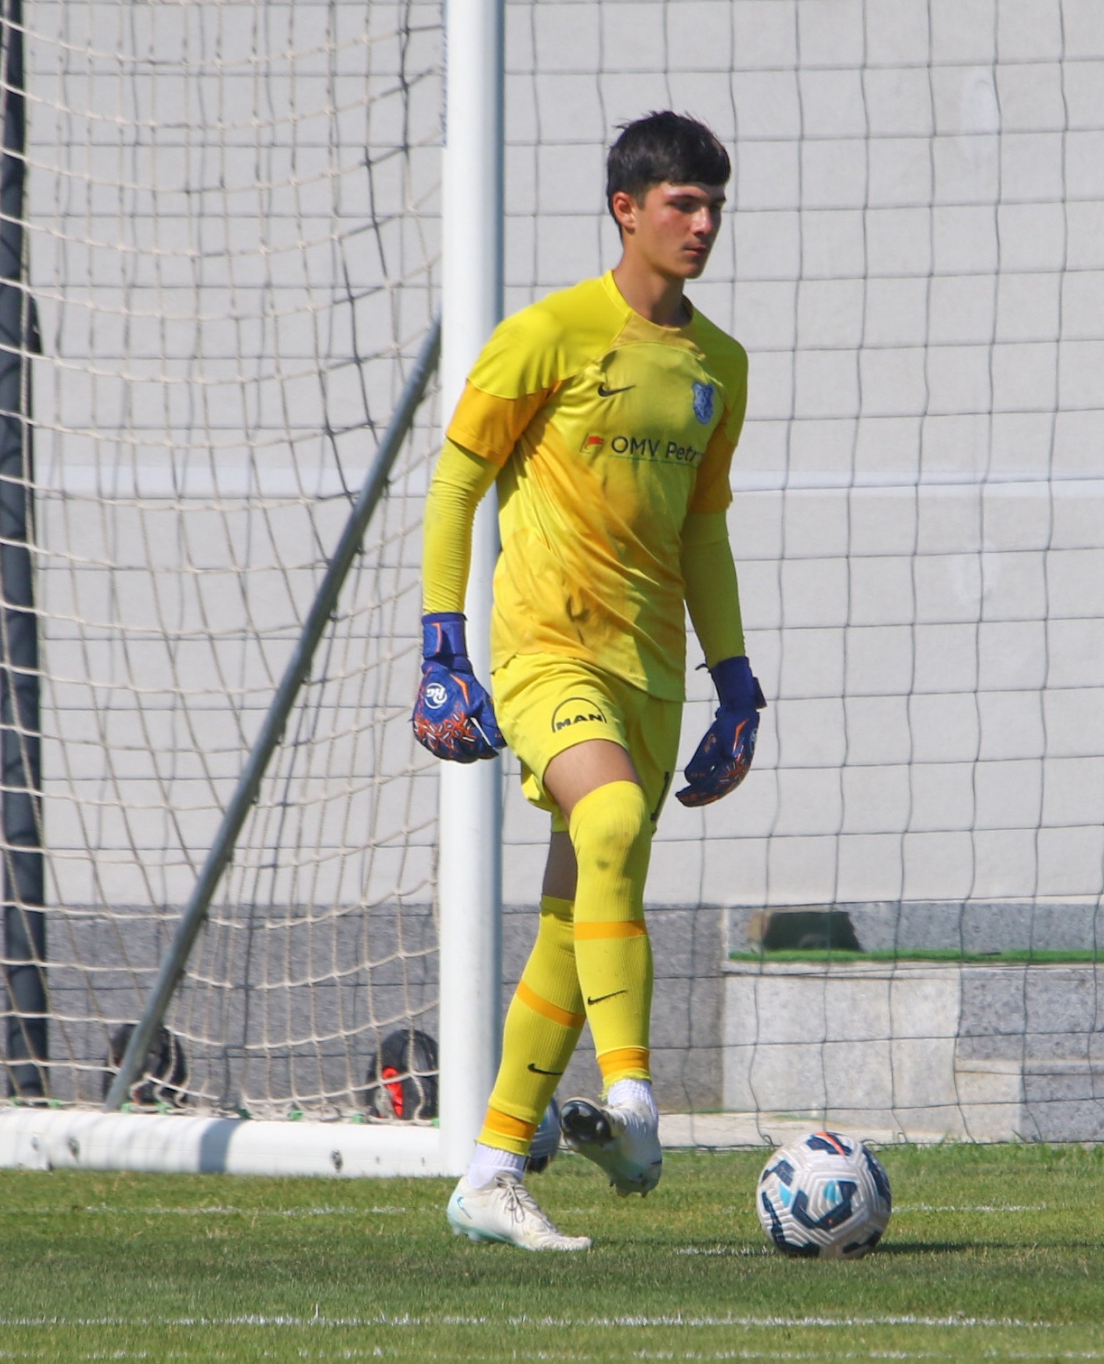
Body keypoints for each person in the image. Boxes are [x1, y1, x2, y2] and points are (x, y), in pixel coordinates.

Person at [412, 111, 764, 1251]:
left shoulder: (720, 366)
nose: (702, 224)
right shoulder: (549, 334)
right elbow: (456, 481)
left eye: (713, 206)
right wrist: (442, 642)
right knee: (607, 818)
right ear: (627, 210)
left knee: (578, 913)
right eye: (681, 204)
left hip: (651, 673)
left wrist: (736, 682)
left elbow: (703, 531)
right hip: (545, 652)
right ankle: (634, 1105)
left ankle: (490, 1171)